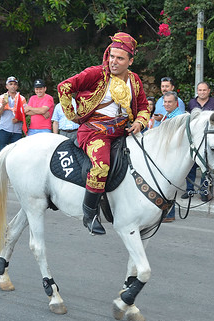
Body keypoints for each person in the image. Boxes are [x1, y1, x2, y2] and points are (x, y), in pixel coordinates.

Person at [57, 32, 150, 235]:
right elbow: (64, 87)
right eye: (112, 56)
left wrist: (140, 123)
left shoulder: (134, 81)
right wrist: (72, 115)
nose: (114, 62)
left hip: (124, 131)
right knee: (102, 166)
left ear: (130, 61)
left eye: (120, 58)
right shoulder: (96, 73)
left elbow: (143, 107)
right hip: (94, 132)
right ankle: (90, 214)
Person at [181, 82, 214, 201]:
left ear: (209, 91)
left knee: (205, 167)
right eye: (200, 90)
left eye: (204, 90)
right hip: (194, 138)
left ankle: (204, 191)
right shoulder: (192, 103)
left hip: (207, 139)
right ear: (197, 91)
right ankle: (190, 190)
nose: (202, 92)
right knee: (191, 166)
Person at [159, 91, 186, 222]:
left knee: (170, 185)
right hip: (167, 154)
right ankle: (166, 212)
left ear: (176, 103)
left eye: (170, 102)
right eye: (165, 102)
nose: (167, 104)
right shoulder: (168, 115)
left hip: (173, 156)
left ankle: (169, 214)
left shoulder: (179, 117)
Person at [0, 76, 26, 150]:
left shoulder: (21, 98)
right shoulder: (1, 97)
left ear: (17, 86)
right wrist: (3, 105)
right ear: (7, 86)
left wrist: (18, 119)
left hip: (17, 130)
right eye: (11, 84)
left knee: (16, 152)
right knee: (2, 151)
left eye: (15, 84)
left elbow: (24, 113)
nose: (13, 86)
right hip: (4, 129)